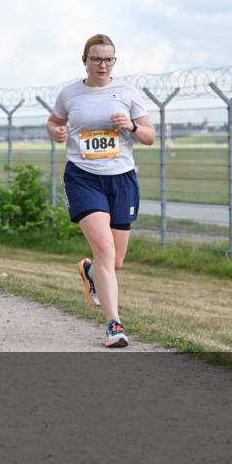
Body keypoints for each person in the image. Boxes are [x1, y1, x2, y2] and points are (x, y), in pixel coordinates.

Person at [45, 34, 155, 348]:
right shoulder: (70, 93)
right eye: (96, 59)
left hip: (122, 179)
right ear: (85, 61)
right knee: (105, 251)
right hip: (83, 177)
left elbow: (149, 136)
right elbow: (53, 122)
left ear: (114, 61)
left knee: (115, 261)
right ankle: (114, 325)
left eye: (108, 59)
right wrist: (56, 131)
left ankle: (90, 272)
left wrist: (131, 126)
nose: (103, 65)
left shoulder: (127, 92)